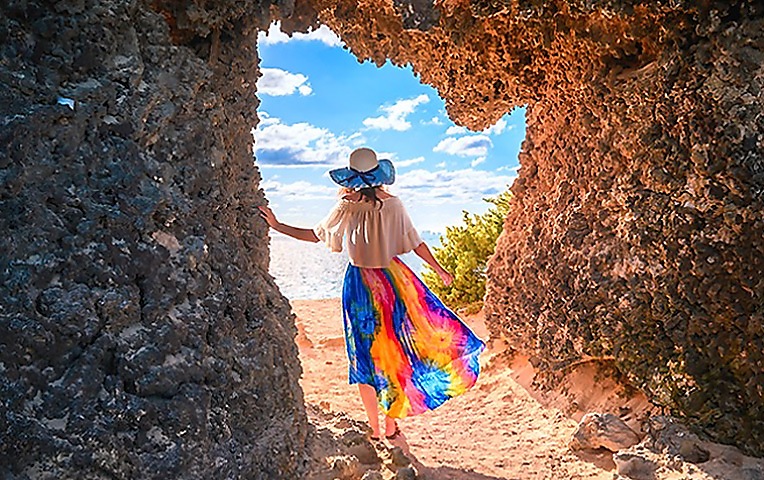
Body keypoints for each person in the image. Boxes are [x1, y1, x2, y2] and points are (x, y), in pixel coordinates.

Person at [259, 147, 485, 441]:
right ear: (379, 175)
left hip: (359, 285)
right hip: (392, 280)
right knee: (392, 352)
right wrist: (440, 270)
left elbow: (314, 235)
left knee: (364, 357)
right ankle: (390, 425)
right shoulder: (394, 205)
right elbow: (416, 243)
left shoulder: (345, 205)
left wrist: (277, 226)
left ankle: (375, 429)